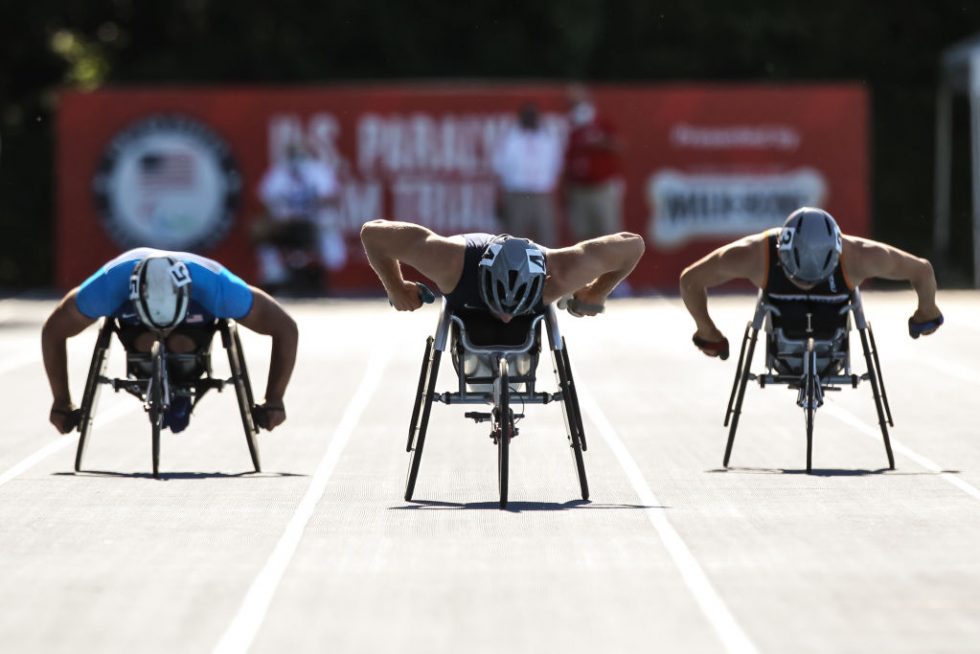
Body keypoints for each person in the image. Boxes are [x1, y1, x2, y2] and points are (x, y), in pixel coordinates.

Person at [42, 248, 299, 434]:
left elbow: (286, 329)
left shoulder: (220, 289)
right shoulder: (107, 287)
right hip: (136, 322)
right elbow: (53, 331)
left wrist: (274, 398)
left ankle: (182, 391)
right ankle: (152, 369)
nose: (161, 333)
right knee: (144, 342)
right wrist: (61, 400)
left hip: (193, 322)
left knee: (181, 344)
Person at [679, 207, 944, 359]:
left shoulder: (859, 255)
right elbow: (690, 280)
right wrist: (707, 328)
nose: (805, 285)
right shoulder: (755, 254)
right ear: (781, 250)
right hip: (787, 333)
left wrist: (928, 308)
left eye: (814, 279)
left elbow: (922, 270)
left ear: (838, 250)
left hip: (830, 335)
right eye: (797, 277)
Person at [359, 219, 644, 323]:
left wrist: (597, 292)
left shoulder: (561, 272)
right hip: (467, 265)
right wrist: (395, 288)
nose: (507, 319)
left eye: (513, 309)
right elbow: (372, 234)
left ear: (545, 282)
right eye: (500, 308)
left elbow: (633, 245)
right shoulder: (448, 261)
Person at [254, 141, 344, 294]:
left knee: (330, 235)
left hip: (313, 222)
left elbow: (332, 198)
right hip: (286, 224)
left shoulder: (317, 171)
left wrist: (312, 203)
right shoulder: (279, 173)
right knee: (260, 231)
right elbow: (265, 199)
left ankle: (332, 278)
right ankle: (274, 275)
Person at [491, 103, 564, 247]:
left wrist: (545, 181)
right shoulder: (510, 139)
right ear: (520, 118)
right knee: (514, 239)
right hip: (517, 194)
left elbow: (556, 163)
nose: (530, 119)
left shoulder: (548, 139)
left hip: (541, 194)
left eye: (533, 116)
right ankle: (515, 269)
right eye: (527, 116)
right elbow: (499, 165)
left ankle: (547, 269)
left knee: (546, 238)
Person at [563, 87, 625, 243]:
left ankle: (612, 268)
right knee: (583, 238)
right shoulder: (570, 126)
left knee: (608, 236)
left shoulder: (601, 122)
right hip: (579, 190)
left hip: (601, 188)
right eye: (572, 103)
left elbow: (619, 146)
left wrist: (600, 141)